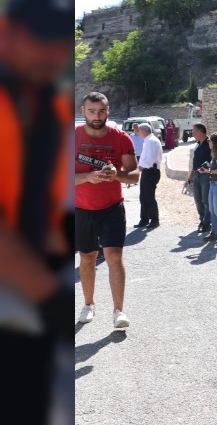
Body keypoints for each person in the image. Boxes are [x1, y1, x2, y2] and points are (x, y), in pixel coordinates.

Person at [0, 0, 76, 423]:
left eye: (61, 41)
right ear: (7, 30)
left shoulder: (49, 105)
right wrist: (48, 295)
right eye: (42, 37)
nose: (53, 52)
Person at [75, 92, 139, 329]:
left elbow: (134, 174)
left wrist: (118, 175)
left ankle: (119, 311)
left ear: (108, 111)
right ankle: (89, 304)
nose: (96, 116)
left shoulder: (121, 138)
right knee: (87, 258)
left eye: (101, 111)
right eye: (91, 111)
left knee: (114, 257)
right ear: (83, 111)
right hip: (81, 208)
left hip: (112, 207)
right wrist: (87, 177)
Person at [134, 123, 163, 229]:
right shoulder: (148, 141)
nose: (138, 133)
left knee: (149, 196)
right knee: (144, 196)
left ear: (144, 131)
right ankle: (144, 219)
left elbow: (149, 160)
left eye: (139, 131)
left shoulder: (151, 141)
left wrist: (138, 169)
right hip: (148, 171)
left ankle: (154, 220)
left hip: (150, 171)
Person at [187, 123, 212, 233]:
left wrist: (207, 168)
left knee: (205, 200)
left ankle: (207, 224)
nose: (192, 133)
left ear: (200, 132)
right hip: (196, 175)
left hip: (206, 175)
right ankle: (202, 220)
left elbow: (214, 160)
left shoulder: (209, 144)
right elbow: (195, 162)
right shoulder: (197, 144)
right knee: (198, 200)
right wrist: (191, 175)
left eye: (194, 131)